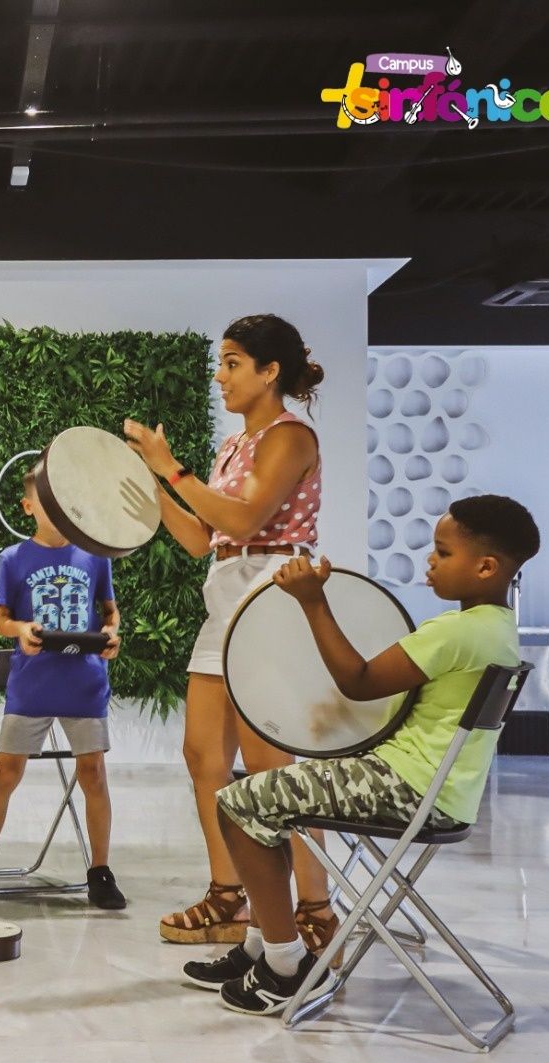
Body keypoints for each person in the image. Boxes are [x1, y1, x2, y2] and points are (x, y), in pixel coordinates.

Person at [185, 495, 539, 1014]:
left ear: (486, 567)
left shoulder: (456, 632)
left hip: (407, 788)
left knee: (238, 805)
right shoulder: (496, 631)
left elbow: (359, 682)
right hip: (436, 791)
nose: (430, 561)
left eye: (442, 552)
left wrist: (313, 602)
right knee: (268, 806)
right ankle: (261, 947)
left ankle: (284, 967)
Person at [124, 313, 337, 954]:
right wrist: (152, 480)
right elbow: (202, 539)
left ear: (270, 371)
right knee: (203, 757)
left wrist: (173, 470)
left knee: (272, 769)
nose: (220, 376)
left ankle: (316, 909)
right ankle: (228, 895)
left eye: (233, 363)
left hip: (271, 599)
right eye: (221, 363)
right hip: (226, 599)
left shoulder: (290, 437)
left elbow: (248, 517)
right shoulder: (234, 445)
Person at [0, 465, 125, 909]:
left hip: (84, 682)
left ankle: (100, 870)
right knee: (7, 771)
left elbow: (109, 613)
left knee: (93, 774)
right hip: (32, 684)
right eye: (48, 502)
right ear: (29, 507)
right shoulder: (14, 558)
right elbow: (1, 619)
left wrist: (112, 636)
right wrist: (20, 629)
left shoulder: (94, 556)